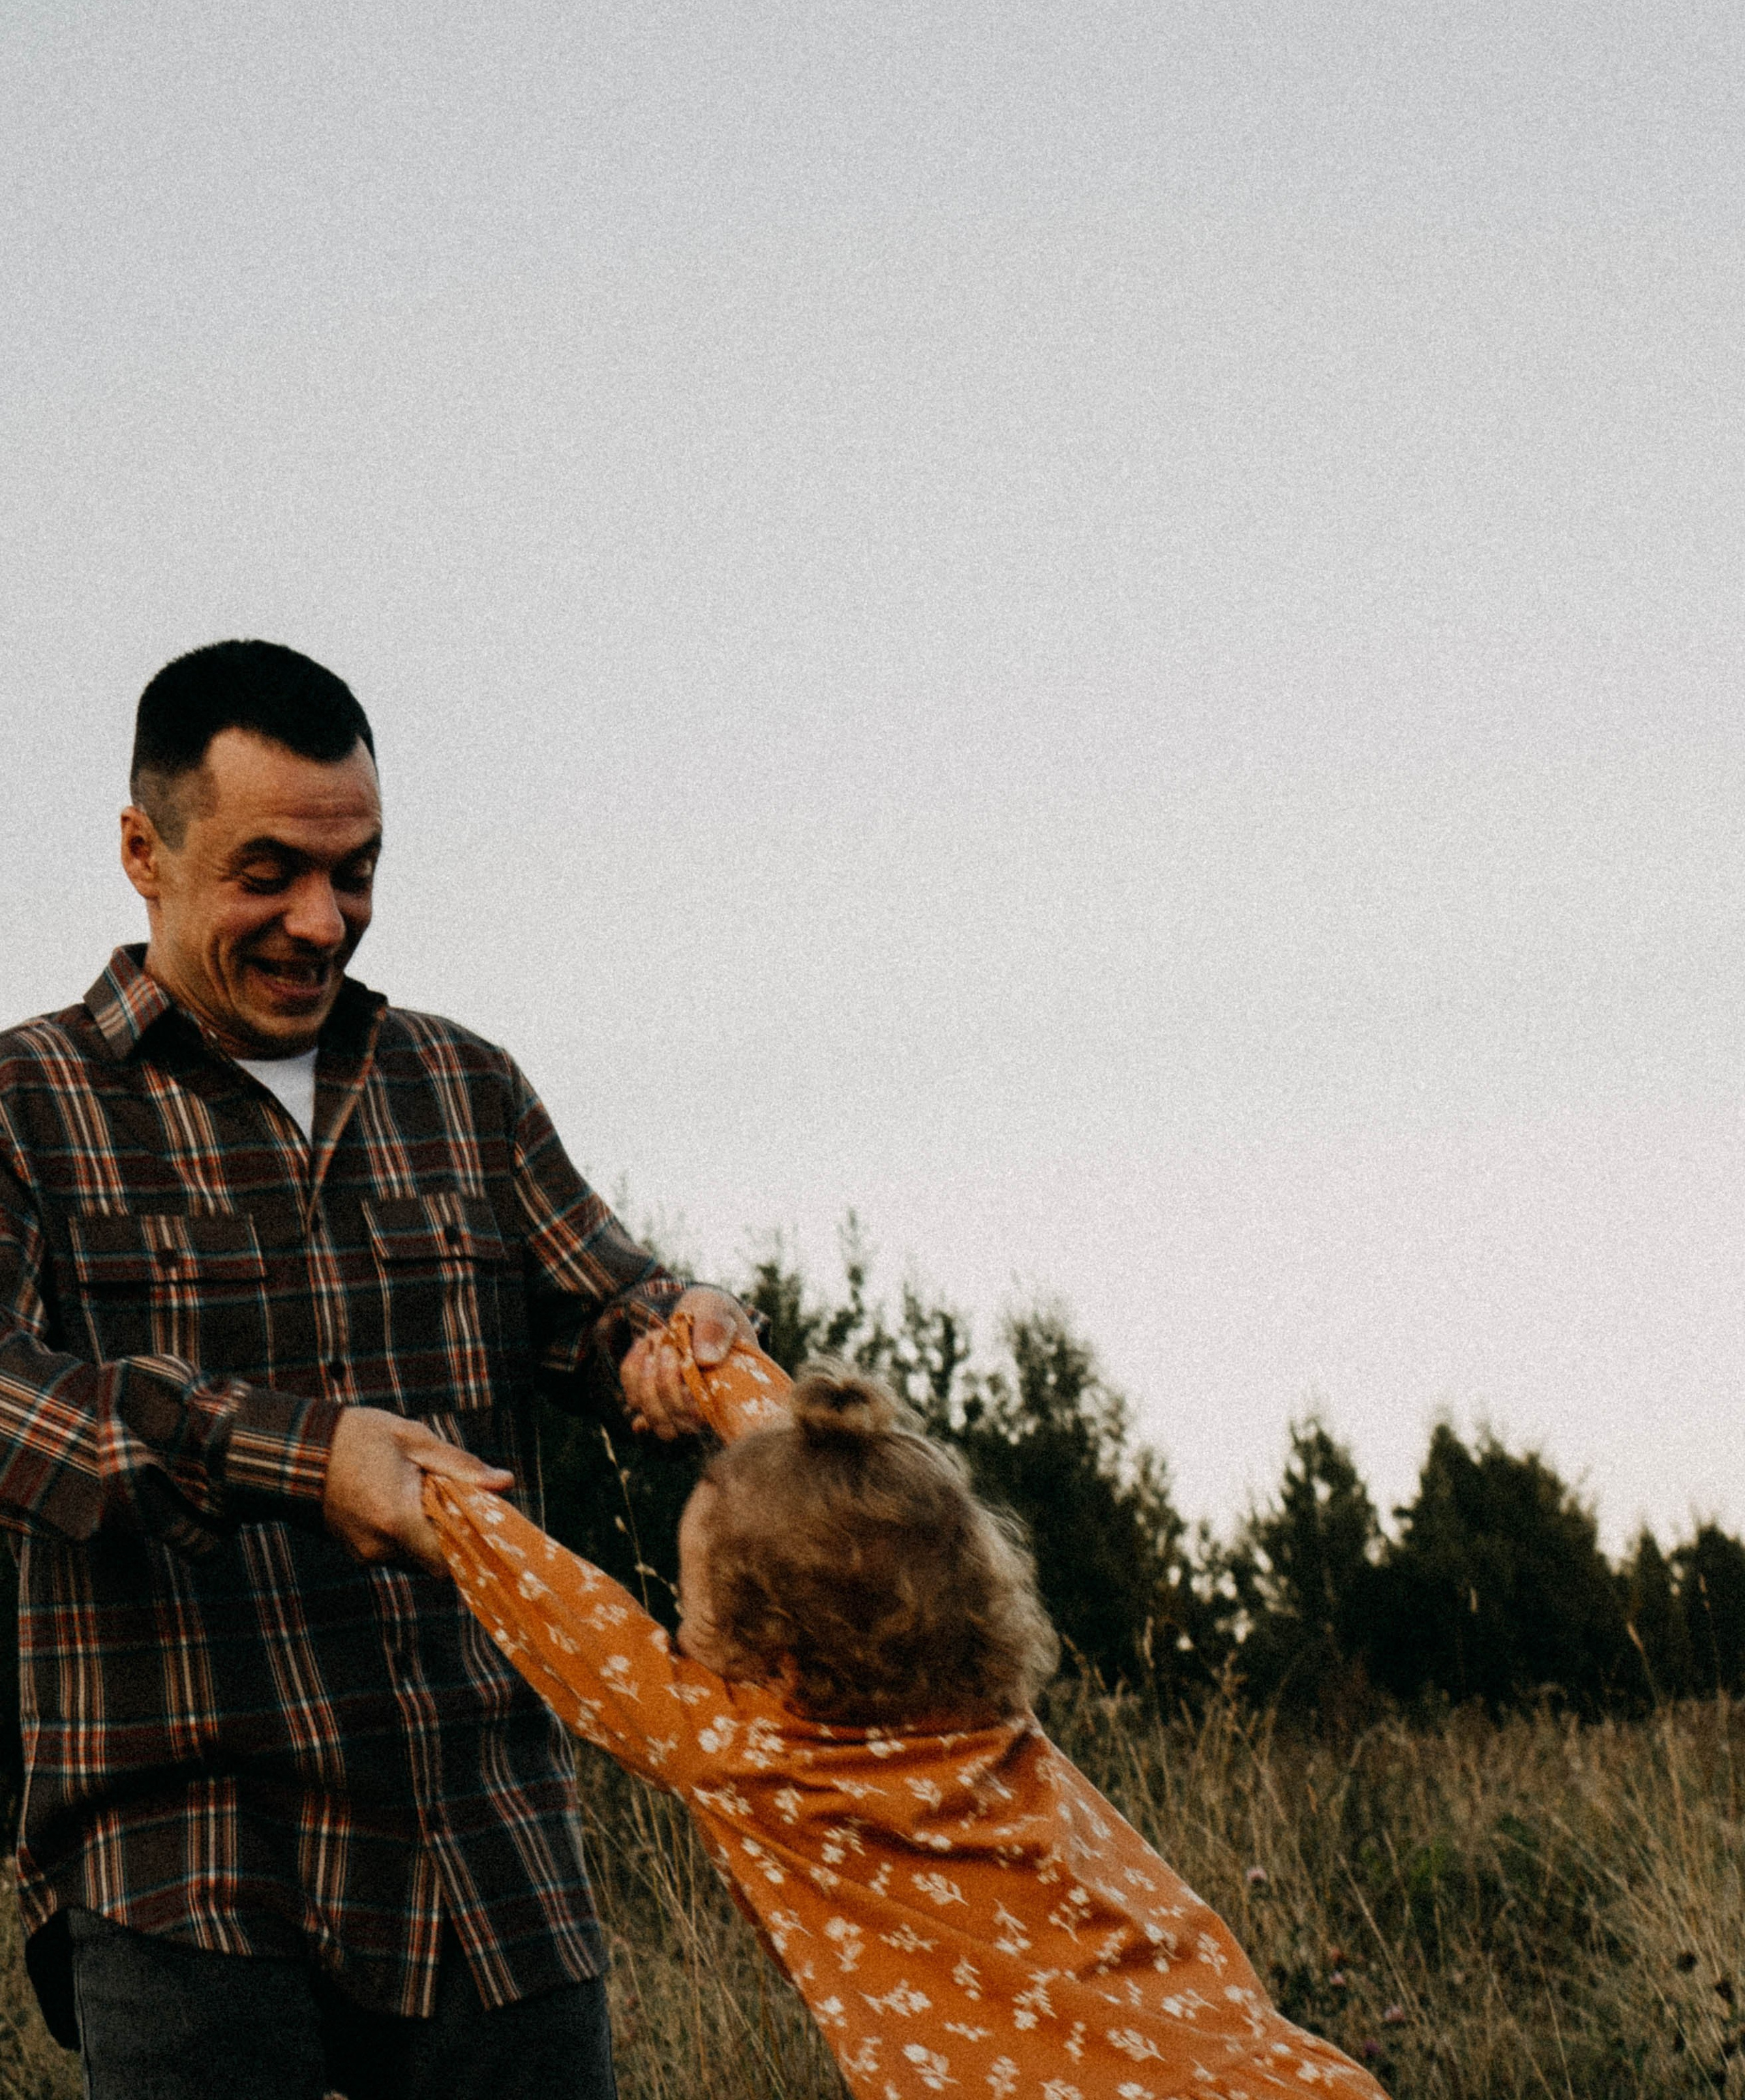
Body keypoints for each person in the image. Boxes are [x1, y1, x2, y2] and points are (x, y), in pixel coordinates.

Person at [0, 639, 752, 2099]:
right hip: (188, 1866)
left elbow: (608, 1309)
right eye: (269, 873)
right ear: (144, 852)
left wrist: (679, 1342)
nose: (320, 920)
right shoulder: (28, 1103)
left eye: (355, 874)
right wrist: (298, 1454)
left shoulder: (464, 1086)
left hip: (493, 1860)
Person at [427, 1330, 1392, 2100]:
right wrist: (707, 1363)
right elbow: (841, 1503)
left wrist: (439, 1502)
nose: (677, 1630)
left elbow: (571, 1620)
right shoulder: (985, 1711)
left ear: (775, 1637)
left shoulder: (749, 1755)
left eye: (691, 1604)